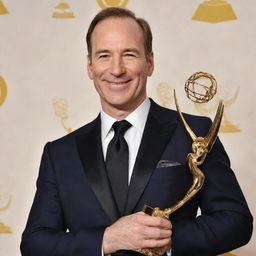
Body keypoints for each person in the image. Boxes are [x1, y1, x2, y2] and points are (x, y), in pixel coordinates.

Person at [20, 7, 253, 256]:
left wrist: (169, 240)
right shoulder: (59, 153)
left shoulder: (194, 133)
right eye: (104, 56)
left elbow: (236, 221)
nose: (117, 69)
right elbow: (35, 243)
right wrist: (106, 240)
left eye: (129, 54)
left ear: (149, 62)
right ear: (90, 66)